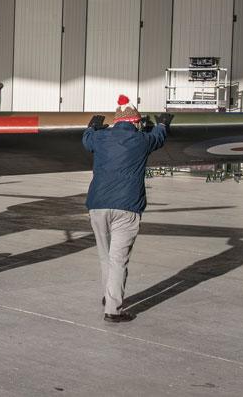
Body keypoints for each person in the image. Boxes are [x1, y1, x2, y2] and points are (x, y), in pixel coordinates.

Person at [82, 94, 172, 323]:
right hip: (127, 207)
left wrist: (91, 126)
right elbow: (159, 138)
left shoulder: (100, 138)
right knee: (118, 259)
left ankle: (108, 295)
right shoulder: (141, 141)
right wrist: (163, 123)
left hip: (97, 205)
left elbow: (87, 140)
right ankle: (113, 310)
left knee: (105, 256)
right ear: (135, 122)